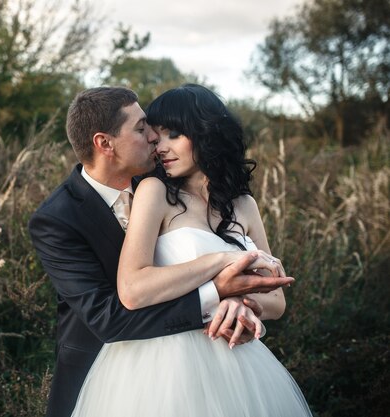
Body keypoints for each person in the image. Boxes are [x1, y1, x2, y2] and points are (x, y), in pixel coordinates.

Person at [28, 86, 294, 417]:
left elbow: (275, 298)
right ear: (105, 144)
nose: (156, 140)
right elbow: (110, 317)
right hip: (126, 371)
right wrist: (218, 285)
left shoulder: (165, 181)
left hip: (233, 364)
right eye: (144, 129)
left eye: (169, 132)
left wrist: (238, 304)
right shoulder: (58, 218)